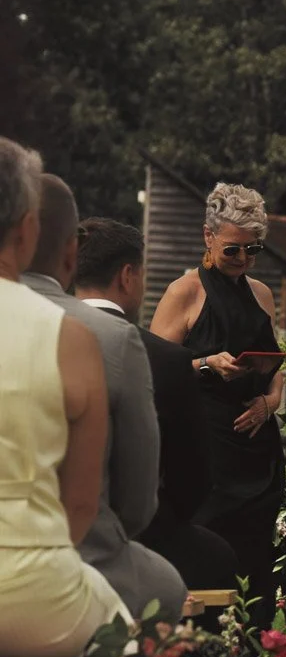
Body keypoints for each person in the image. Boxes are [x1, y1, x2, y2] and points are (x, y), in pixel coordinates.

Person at [21, 175, 185, 620]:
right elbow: (136, 501)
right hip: (69, 558)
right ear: (71, 254)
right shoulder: (111, 339)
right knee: (168, 590)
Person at [0, 138, 130, 657]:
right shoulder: (73, 339)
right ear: (28, 227)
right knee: (135, 655)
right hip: (35, 588)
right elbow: (80, 504)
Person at [76, 218, 240, 591]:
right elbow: (193, 478)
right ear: (128, 276)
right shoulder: (165, 359)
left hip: (43, 528)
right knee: (220, 559)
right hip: (133, 533)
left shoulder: (40, 335)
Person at [150, 184, 285, 628]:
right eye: (233, 251)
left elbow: (277, 368)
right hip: (209, 453)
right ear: (208, 237)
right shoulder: (183, 292)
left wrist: (269, 403)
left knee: (258, 569)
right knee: (210, 568)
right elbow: (154, 368)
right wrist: (206, 363)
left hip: (258, 452)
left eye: (253, 251)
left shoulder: (263, 294)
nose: (244, 260)